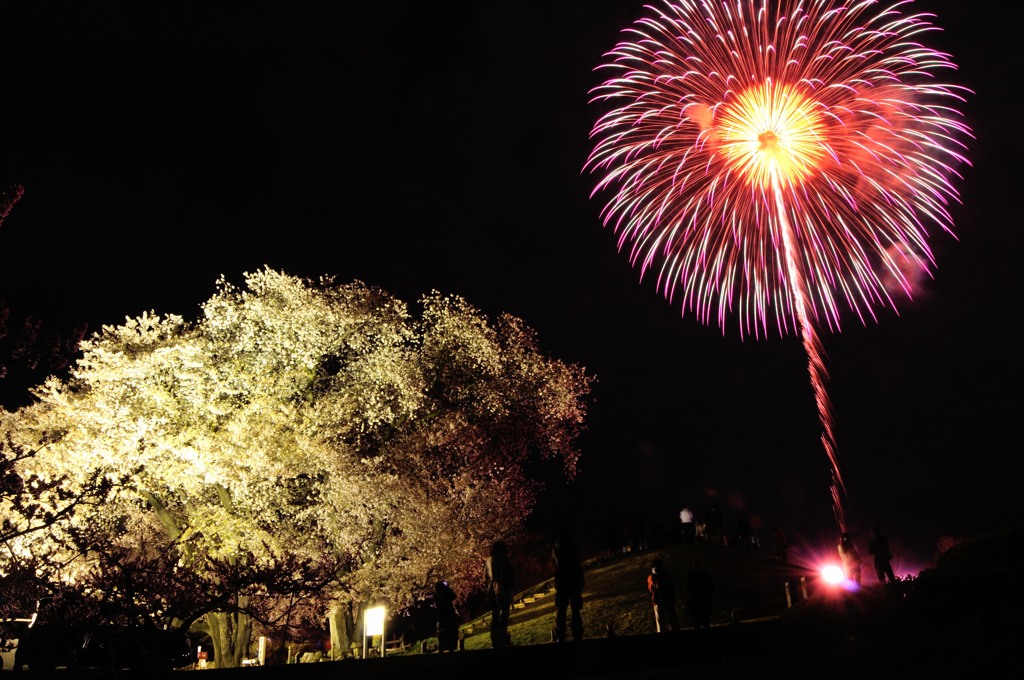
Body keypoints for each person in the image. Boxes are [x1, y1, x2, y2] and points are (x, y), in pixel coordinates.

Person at [552, 527, 585, 643]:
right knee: (576, 609)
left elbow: (556, 564)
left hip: (562, 581)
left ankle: (560, 634)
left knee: (561, 610)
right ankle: (577, 633)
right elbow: (578, 565)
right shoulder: (575, 548)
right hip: (574, 581)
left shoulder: (557, 548)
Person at [485, 540, 516, 648]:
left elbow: (486, 578)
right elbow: (512, 575)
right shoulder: (505, 560)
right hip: (505, 589)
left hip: (493, 591)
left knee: (495, 616)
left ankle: (495, 641)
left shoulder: (489, 560)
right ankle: (502, 639)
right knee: (504, 616)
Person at [646, 558, 679, 633]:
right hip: (669, 600)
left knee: (660, 623)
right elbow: (672, 586)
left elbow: (650, 589)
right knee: (672, 620)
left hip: (658, 602)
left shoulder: (651, 578)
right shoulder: (667, 575)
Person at [686, 559, 714, 631]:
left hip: (695, 600)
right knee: (705, 620)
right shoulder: (705, 574)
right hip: (704, 600)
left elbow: (689, 588)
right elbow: (710, 587)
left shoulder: (691, 575)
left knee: (697, 620)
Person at [433, 579, 459, 653]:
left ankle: (444, 651)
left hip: (442, 617)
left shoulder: (437, 595)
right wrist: (448, 588)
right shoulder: (441, 596)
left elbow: (453, 596)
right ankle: (448, 650)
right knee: (448, 635)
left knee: (443, 636)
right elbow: (453, 596)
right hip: (447, 617)